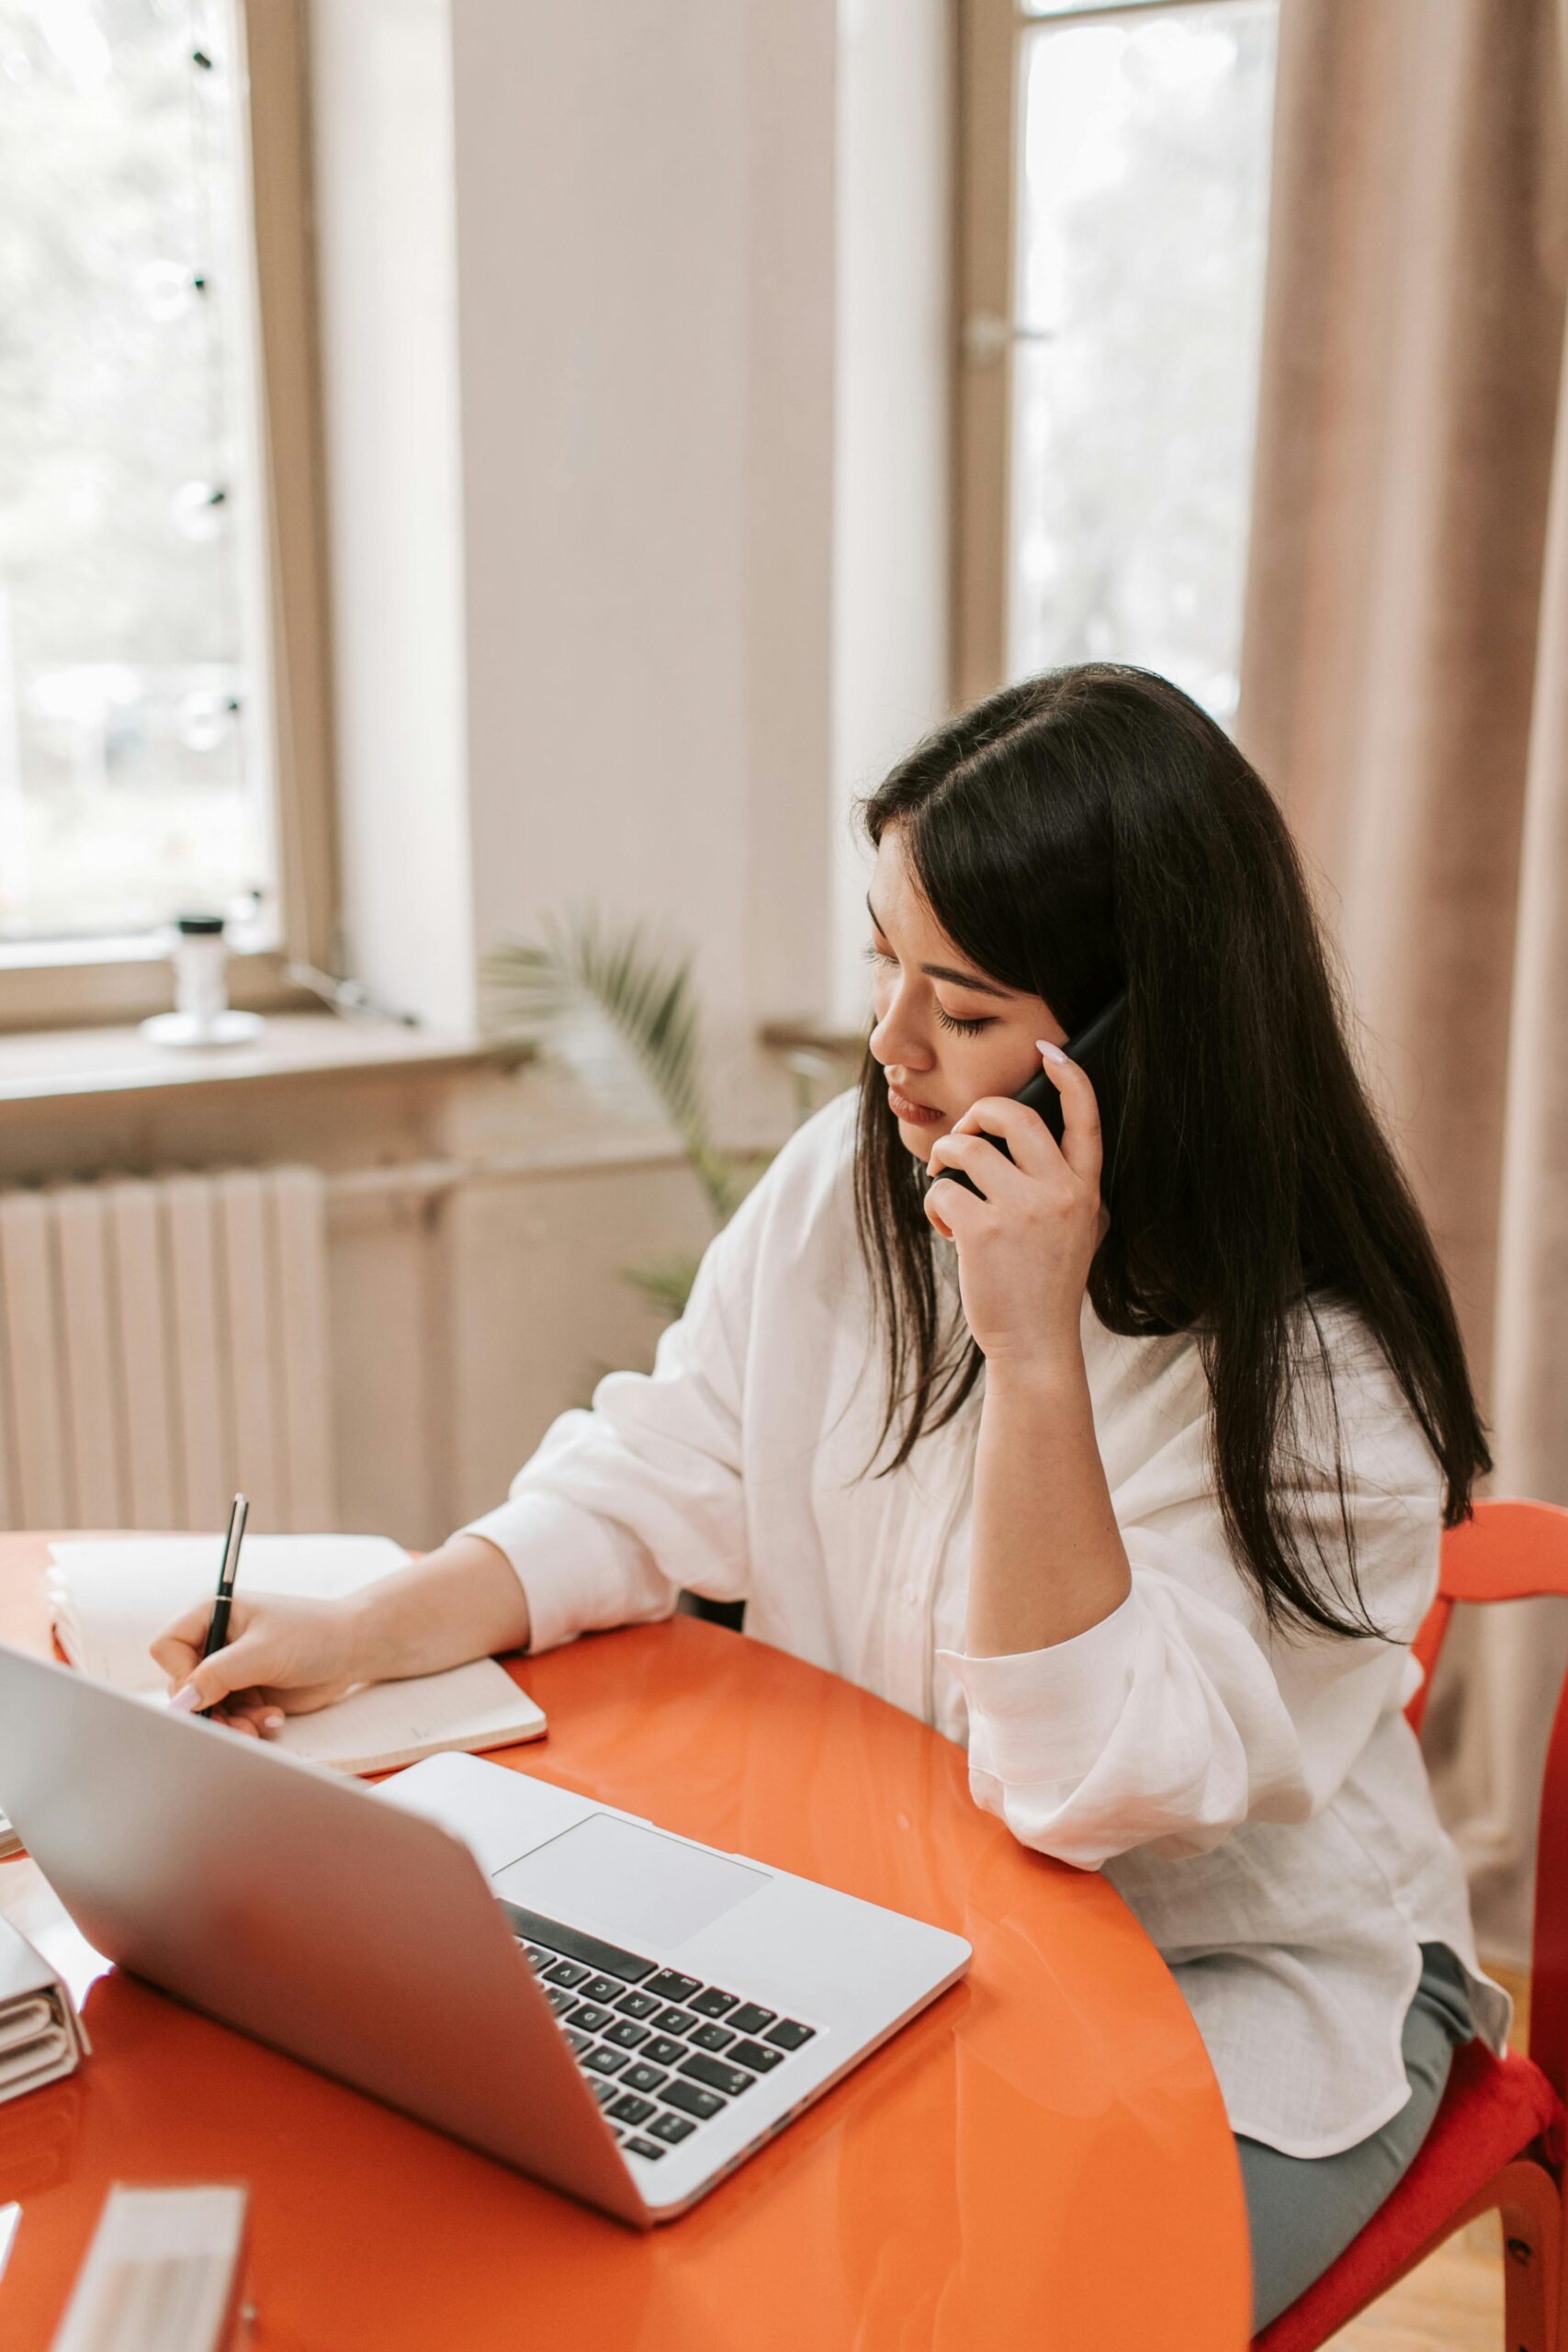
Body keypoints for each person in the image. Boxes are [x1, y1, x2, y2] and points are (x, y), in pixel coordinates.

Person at [152, 663, 1507, 2330]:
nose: (889, 1048)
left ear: (1128, 1035)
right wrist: (369, 1625)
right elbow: (657, 1468)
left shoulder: (1322, 1378)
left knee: (1003, 2314)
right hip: (908, 1922)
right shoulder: (850, 1187)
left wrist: (1033, 1354)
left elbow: (1077, 1783)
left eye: (965, 1002)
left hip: (1239, 1986)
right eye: (885, 960)